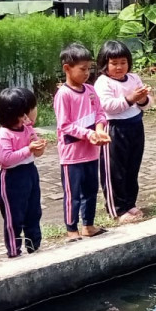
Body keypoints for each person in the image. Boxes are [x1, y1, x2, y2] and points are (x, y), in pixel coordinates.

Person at [54, 43, 109, 241]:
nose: (86, 73)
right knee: (73, 194)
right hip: (72, 156)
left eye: (89, 69)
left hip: (92, 152)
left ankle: (88, 225)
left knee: (91, 191)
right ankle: (71, 229)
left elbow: (100, 114)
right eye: (82, 69)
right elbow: (64, 126)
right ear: (67, 68)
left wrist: (100, 130)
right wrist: (88, 134)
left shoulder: (91, 91)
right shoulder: (64, 94)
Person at [94, 41, 149, 224]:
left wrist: (142, 99)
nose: (119, 67)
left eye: (123, 62)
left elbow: (146, 104)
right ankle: (117, 209)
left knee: (132, 168)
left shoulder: (134, 78)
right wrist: (132, 98)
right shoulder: (103, 82)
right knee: (115, 171)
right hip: (114, 129)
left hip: (135, 126)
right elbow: (108, 106)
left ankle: (130, 203)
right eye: (114, 63)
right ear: (105, 64)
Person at [0, 88, 45, 258]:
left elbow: (36, 152)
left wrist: (38, 148)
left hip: (30, 172)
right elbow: (6, 159)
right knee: (14, 216)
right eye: (23, 113)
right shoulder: (4, 134)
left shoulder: (28, 128)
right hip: (12, 177)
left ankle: (34, 245)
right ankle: (14, 250)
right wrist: (28, 149)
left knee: (34, 210)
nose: (27, 117)